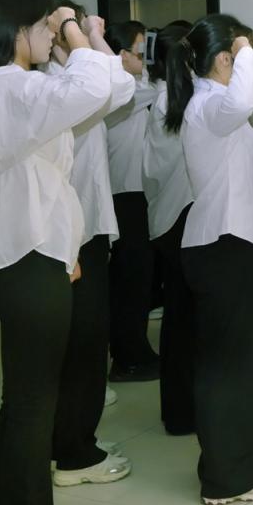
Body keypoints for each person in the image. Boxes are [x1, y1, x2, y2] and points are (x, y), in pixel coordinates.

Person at [0, 0, 113, 505]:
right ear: (15, 29)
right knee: (29, 407)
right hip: (23, 262)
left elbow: (109, 87)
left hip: (27, 254)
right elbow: (95, 82)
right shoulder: (7, 86)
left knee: (31, 405)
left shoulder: (9, 86)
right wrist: (74, 25)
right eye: (45, 26)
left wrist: (76, 36)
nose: (53, 36)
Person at [167, 14, 253, 505]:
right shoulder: (211, 104)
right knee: (226, 366)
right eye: (239, 57)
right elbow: (242, 100)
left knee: (236, 362)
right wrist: (244, 47)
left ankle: (233, 456)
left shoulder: (215, 101)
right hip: (223, 244)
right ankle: (224, 477)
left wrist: (244, 53)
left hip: (231, 241)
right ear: (222, 60)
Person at [46, 0, 134, 490]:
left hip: (86, 227)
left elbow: (120, 85)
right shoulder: (63, 86)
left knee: (83, 344)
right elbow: (119, 85)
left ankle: (73, 441)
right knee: (82, 345)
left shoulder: (74, 80)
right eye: (76, 25)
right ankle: (74, 453)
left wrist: (89, 38)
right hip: (74, 234)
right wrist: (90, 37)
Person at [142, 20, 198, 436]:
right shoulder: (179, 99)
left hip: (169, 215)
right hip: (184, 216)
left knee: (181, 319)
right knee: (185, 321)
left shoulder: (169, 97)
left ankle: (179, 411)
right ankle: (183, 411)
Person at [104, 20, 161, 383]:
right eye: (142, 51)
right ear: (121, 55)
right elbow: (156, 89)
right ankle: (128, 358)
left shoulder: (139, 88)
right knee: (130, 282)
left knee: (139, 280)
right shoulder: (119, 93)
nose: (147, 58)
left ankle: (135, 350)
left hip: (138, 195)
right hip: (124, 196)